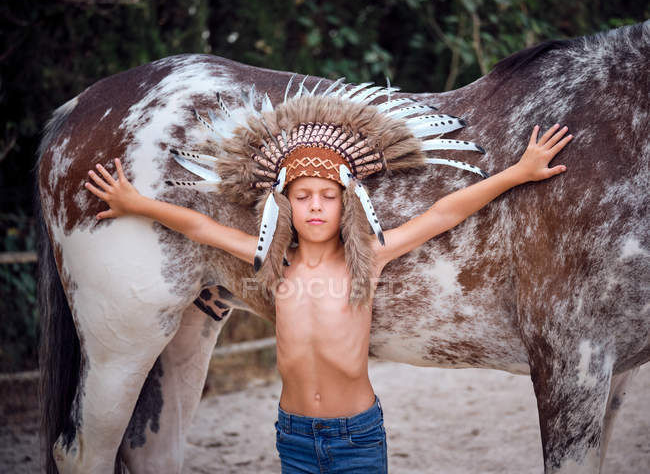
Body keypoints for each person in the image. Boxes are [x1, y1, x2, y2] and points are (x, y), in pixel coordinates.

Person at [85, 90, 571, 472]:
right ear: (284, 205)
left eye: (326, 195)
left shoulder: (371, 257)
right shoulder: (271, 261)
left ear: (347, 203)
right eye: (302, 196)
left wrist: (517, 173)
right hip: (293, 434)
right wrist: (137, 203)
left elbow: (444, 212)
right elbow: (202, 228)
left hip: (357, 436)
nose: (315, 206)